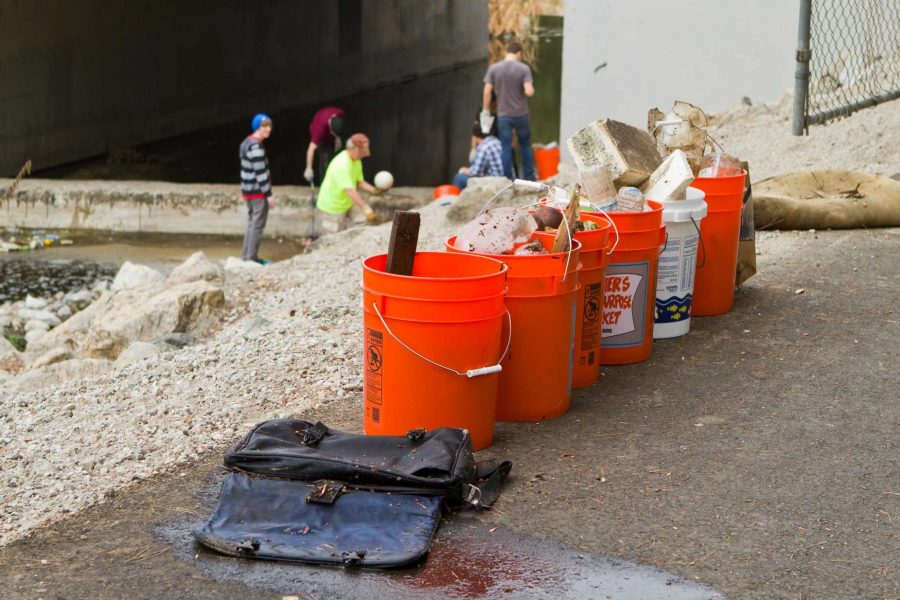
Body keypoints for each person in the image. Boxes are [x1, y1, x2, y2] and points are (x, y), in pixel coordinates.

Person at [482, 41, 536, 181]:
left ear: (507, 52)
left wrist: (486, 110)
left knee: (505, 147)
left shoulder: (494, 68)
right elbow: (529, 91)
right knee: (525, 145)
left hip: (503, 116)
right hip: (521, 114)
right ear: (519, 53)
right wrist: (530, 90)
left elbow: (487, 92)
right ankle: (529, 177)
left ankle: (508, 179)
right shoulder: (524, 69)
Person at [315, 133, 381, 233]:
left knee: (363, 222)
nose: (363, 155)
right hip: (332, 207)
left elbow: (359, 182)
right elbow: (350, 191)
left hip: (347, 201)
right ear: (355, 149)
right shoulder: (342, 164)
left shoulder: (356, 160)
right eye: (362, 152)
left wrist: (373, 189)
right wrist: (366, 208)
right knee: (335, 237)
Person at [240, 113, 274, 265]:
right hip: (257, 192)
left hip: (247, 191)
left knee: (252, 223)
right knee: (257, 224)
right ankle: (251, 258)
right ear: (257, 127)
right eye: (264, 126)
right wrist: (269, 194)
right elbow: (260, 173)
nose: (268, 129)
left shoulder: (246, 142)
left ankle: (247, 256)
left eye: (269, 126)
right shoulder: (256, 147)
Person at [453, 122, 503, 190]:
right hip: (504, 179)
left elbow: (475, 173)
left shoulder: (483, 146)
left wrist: (463, 170)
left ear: (474, 137)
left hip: (494, 183)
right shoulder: (497, 141)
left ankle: (458, 199)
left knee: (459, 177)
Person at [304, 106, 347, 185]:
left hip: (331, 130)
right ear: (330, 126)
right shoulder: (319, 129)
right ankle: (324, 184)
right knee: (325, 160)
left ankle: (339, 182)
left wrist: (338, 138)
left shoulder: (340, 112)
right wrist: (309, 168)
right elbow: (311, 149)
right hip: (323, 139)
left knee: (339, 156)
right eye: (333, 134)